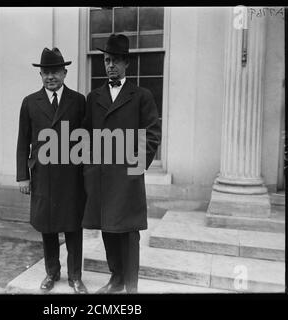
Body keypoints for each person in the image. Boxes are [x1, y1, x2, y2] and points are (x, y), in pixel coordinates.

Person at [82, 34, 161, 293]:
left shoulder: (141, 96)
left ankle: (131, 288)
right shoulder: (94, 97)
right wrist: (91, 167)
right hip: (103, 177)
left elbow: (151, 134)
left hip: (128, 177)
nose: (110, 65)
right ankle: (116, 280)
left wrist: (136, 167)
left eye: (115, 60)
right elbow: (85, 136)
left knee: (128, 233)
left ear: (127, 63)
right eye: (106, 60)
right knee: (108, 230)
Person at [16, 47, 88, 294]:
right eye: (46, 72)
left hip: (72, 177)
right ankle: (51, 272)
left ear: (65, 73)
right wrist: (23, 176)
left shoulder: (78, 101)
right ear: (41, 75)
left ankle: (75, 277)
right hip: (42, 177)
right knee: (47, 227)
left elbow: (86, 141)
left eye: (55, 71)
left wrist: (87, 175)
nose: (51, 77)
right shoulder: (29, 103)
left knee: (73, 228)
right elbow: (22, 142)